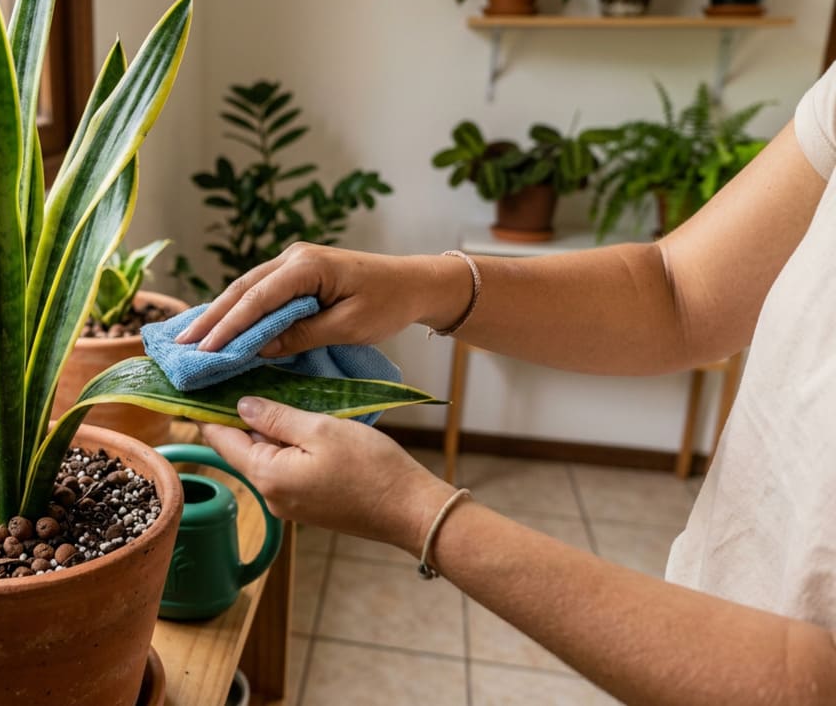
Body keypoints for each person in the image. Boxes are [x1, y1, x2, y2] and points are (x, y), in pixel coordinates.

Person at [177, 67, 836, 706]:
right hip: (700, 618)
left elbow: (811, 682)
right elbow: (679, 290)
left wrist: (413, 511)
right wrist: (422, 284)